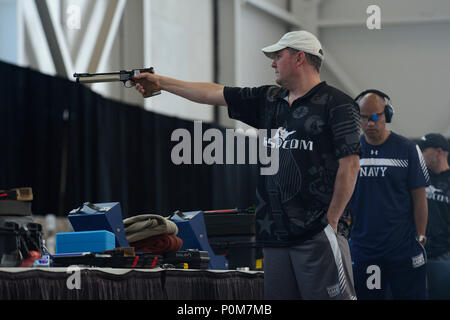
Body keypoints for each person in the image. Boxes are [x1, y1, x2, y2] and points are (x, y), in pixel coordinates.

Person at [132, 30, 361, 300]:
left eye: (278, 56)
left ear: (300, 58)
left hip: (317, 233)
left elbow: (350, 166)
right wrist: (161, 82)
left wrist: (331, 221)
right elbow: (213, 93)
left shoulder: (338, 104)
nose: (272, 62)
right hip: (274, 235)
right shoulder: (270, 100)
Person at [350, 90, 430, 299]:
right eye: (364, 117)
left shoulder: (408, 149)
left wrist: (420, 236)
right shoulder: (350, 151)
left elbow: (420, 198)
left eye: (376, 116)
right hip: (365, 250)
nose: (370, 123)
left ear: (387, 115)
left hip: (403, 249)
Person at [418, 133, 450, 261]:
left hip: (445, 254)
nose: (420, 154)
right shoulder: (419, 178)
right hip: (420, 251)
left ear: (438, 152)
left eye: (424, 150)